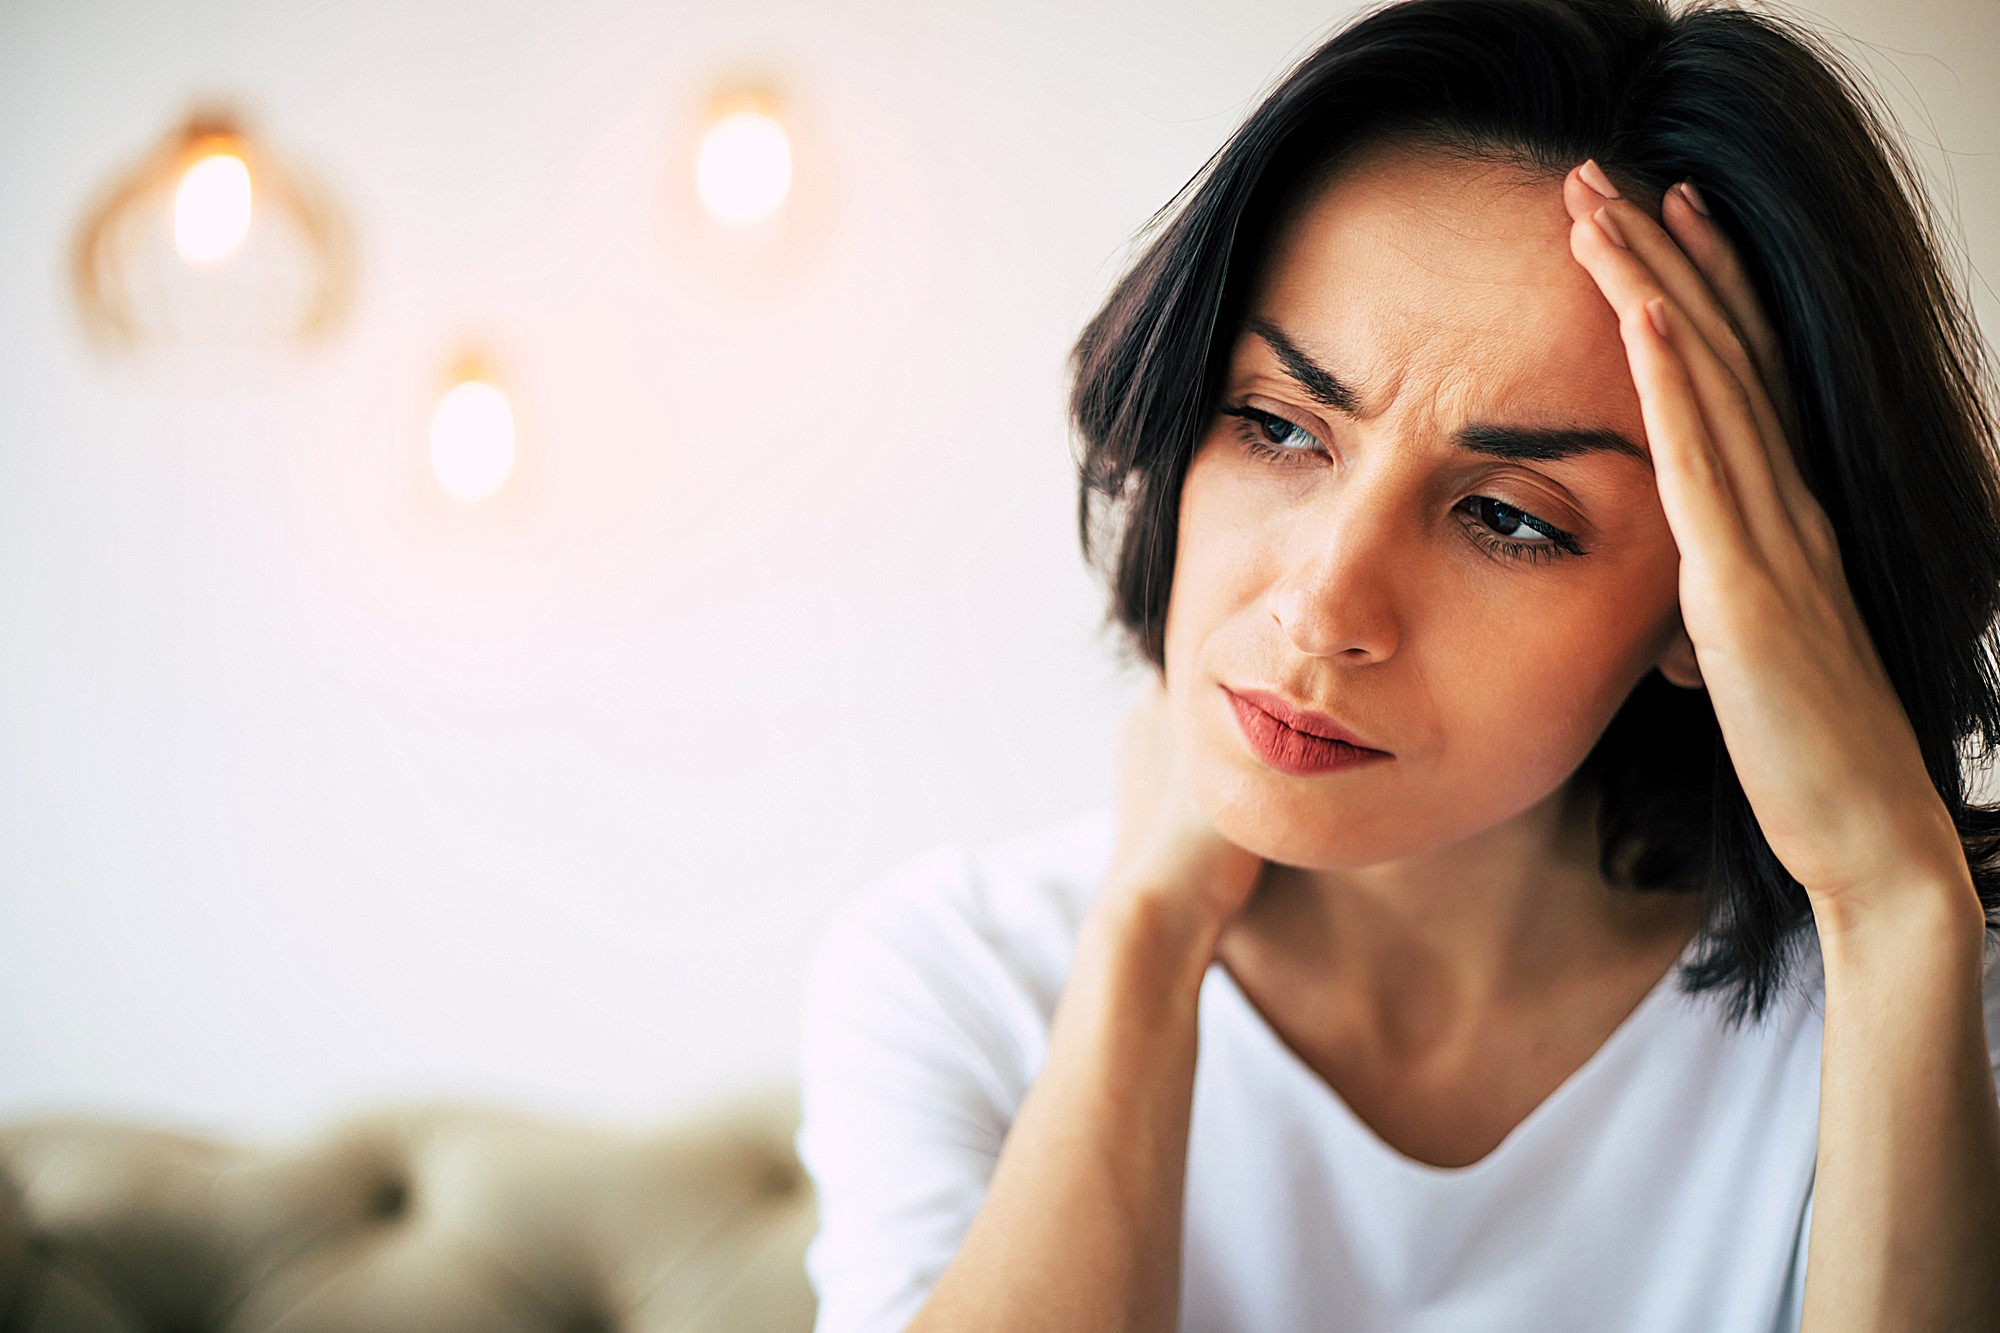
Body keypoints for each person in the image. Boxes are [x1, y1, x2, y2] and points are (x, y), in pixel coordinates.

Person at [795, 0, 2000, 1328]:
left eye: (1508, 518)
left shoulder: (1918, 1003)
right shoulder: (958, 982)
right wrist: (1145, 942)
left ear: (1722, 601)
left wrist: (1894, 906)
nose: (1322, 605)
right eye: (1277, 424)